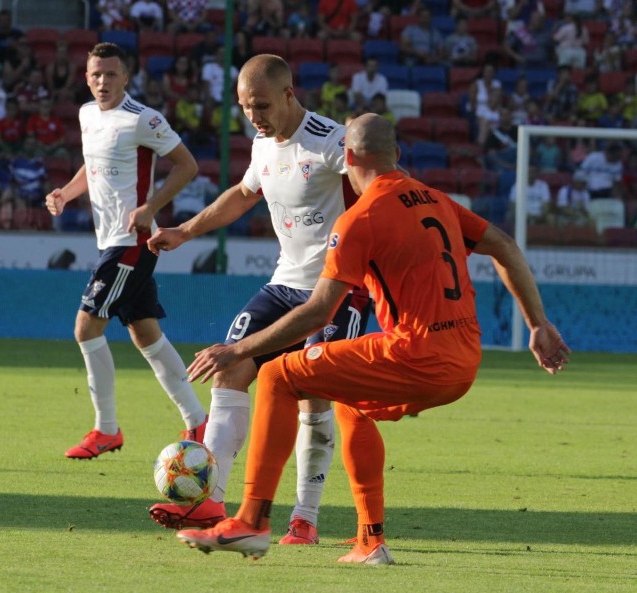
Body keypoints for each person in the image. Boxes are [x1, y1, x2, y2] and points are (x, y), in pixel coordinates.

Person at [175, 113, 570, 563]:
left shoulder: (359, 219)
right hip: (464, 359)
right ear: (396, 155)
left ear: (347, 157)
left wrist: (238, 349)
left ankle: (250, 521)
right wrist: (537, 323)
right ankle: (370, 539)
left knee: (279, 376)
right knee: (347, 398)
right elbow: (505, 245)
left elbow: (318, 312)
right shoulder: (437, 199)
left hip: (415, 354)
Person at [146, 54, 372, 544]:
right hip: (284, 283)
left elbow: (379, 192)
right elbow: (244, 194)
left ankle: (304, 519)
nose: (254, 116)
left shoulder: (332, 143)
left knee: (314, 395)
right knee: (229, 368)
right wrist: (185, 230)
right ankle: (211, 499)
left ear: (290, 95)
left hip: (337, 290)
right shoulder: (262, 145)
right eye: (246, 107)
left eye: (262, 105)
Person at [44, 42, 208, 459]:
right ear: (86, 77)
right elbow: (92, 164)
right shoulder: (86, 115)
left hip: (132, 242)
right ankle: (198, 420)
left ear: (126, 77)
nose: (103, 81)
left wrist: (151, 207)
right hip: (114, 241)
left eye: (111, 74)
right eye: (96, 74)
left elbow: (187, 165)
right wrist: (66, 192)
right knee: (145, 331)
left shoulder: (143, 119)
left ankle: (106, 429)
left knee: (86, 326)